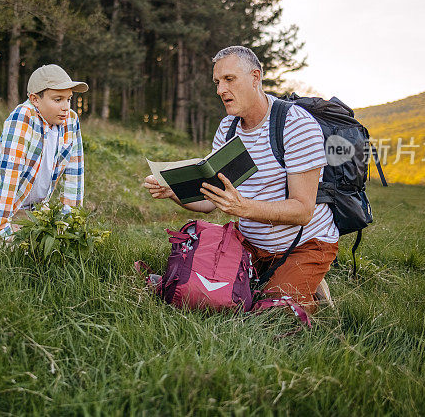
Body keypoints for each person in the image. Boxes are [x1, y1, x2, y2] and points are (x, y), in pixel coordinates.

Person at [142, 46, 338, 313]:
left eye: (229, 79)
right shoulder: (228, 127)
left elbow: (303, 210)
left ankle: (306, 280)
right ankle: (271, 276)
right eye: (217, 82)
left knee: (271, 315)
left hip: (303, 243)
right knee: (202, 293)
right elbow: (209, 202)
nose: (220, 90)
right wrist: (173, 191)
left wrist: (243, 207)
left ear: (255, 77)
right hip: (251, 243)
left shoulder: (296, 125)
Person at [0, 64, 87, 245]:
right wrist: (1, 228)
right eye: (57, 99)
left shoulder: (71, 120)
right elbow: (9, 174)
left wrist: (71, 223)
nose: (65, 107)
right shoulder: (23, 117)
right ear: (35, 99)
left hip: (32, 208)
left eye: (68, 99)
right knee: (4, 251)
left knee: (44, 251)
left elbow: (74, 173)